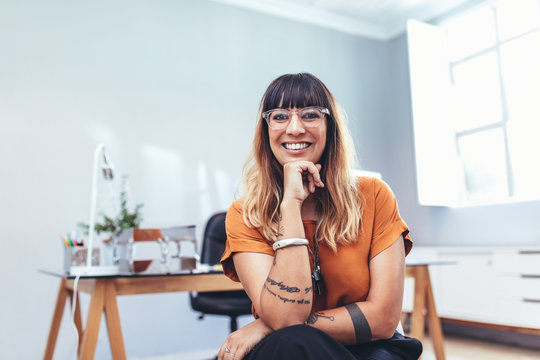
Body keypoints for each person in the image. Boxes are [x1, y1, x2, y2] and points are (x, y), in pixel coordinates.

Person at [218, 73, 422, 360]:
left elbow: (383, 319)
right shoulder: (244, 214)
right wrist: (290, 205)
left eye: (311, 114)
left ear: (330, 127)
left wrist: (267, 325)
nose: (295, 128)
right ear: (266, 131)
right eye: (279, 116)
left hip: (370, 346)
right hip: (290, 348)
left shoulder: (375, 195)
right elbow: (286, 322)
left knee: (294, 340)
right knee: (294, 344)